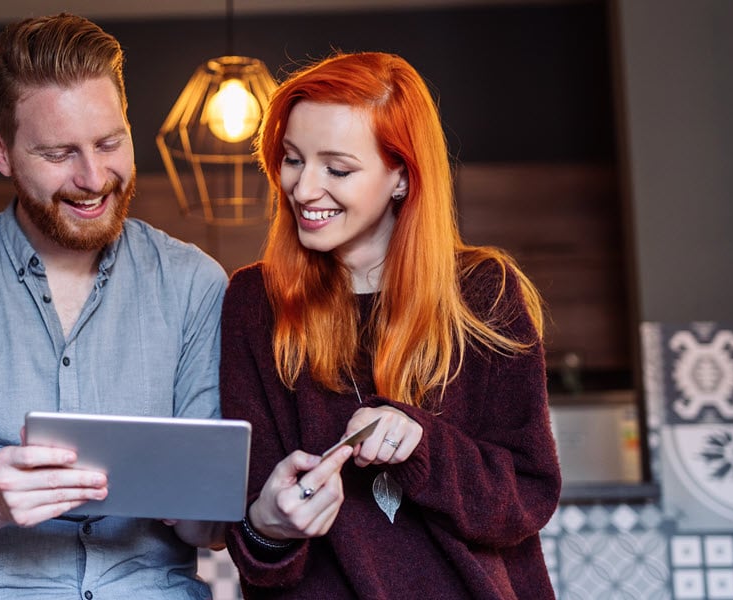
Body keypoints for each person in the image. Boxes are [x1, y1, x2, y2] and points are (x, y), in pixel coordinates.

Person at [0, 13, 228, 598]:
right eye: (58, 154)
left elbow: (213, 528)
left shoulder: (195, 285)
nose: (94, 177)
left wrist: (219, 501)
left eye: (109, 143)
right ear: (1, 152)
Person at [220, 51, 562, 598]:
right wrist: (268, 526)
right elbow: (249, 542)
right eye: (291, 159)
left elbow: (525, 500)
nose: (304, 189)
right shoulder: (253, 304)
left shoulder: (485, 291)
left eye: (337, 169)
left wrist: (423, 444)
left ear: (401, 176)